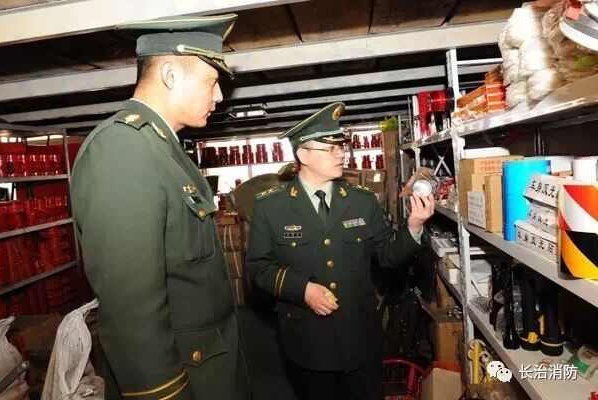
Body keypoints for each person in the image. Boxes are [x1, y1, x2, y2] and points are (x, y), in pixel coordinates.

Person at [71, 15, 251, 400]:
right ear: (169, 74)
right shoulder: (123, 150)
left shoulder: (160, 148)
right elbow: (132, 315)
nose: (220, 96)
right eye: (212, 81)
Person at [245, 102, 435, 400]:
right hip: (307, 341)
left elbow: (387, 255)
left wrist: (413, 226)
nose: (341, 154)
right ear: (303, 155)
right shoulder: (270, 207)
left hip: (360, 337)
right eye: (330, 148)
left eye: (341, 147)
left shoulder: (362, 201)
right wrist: (303, 289)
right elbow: (259, 269)